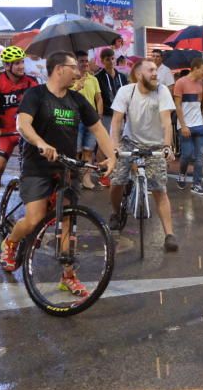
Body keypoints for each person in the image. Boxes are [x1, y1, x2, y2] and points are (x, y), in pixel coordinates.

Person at [0, 52, 116, 288]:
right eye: (74, 67)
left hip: (67, 167)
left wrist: (111, 156)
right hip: (37, 165)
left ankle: (68, 275)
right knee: (34, 220)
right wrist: (41, 143)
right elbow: (23, 125)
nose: (79, 71)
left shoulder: (77, 99)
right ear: (59, 69)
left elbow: (98, 130)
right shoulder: (36, 94)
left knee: (68, 221)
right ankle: (11, 242)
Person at [108, 59, 178, 253]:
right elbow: (116, 122)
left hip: (155, 145)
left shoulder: (162, 91)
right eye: (151, 70)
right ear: (139, 75)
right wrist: (114, 147)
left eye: (156, 69)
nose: (155, 73)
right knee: (117, 181)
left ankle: (169, 234)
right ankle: (116, 212)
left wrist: (167, 146)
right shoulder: (126, 91)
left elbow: (166, 122)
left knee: (159, 189)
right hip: (129, 142)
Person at [0, 46, 39, 224]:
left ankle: (32, 206)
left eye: (22, 62)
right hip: (5, 133)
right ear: (7, 66)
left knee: (32, 169)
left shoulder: (31, 82)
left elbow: (39, 105)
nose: (21, 66)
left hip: (25, 131)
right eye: (17, 63)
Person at [173, 57, 203, 195]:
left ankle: (197, 184)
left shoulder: (202, 83)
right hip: (185, 125)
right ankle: (182, 174)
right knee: (186, 154)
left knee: (200, 156)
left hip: (199, 123)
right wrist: (183, 126)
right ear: (194, 68)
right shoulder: (180, 83)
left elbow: (199, 103)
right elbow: (178, 105)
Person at [94, 47, 128, 186]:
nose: (111, 61)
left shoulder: (122, 77)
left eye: (112, 58)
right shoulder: (98, 77)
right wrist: (99, 114)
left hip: (121, 114)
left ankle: (116, 171)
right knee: (104, 144)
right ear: (102, 61)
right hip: (107, 114)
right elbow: (99, 97)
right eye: (107, 59)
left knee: (119, 144)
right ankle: (103, 173)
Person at [71, 51, 104, 189]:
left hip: (91, 119)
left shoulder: (93, 79)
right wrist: (77, 87)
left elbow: (99, 98)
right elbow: (66, 96)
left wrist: (99, 115)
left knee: (88, 151)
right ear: (76, 62)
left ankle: (86, 179)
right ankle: (73, 180)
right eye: (81, 61)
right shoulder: (71, 79)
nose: (84, 63)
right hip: (76, 119)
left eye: (86, 61)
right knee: (76, 152)